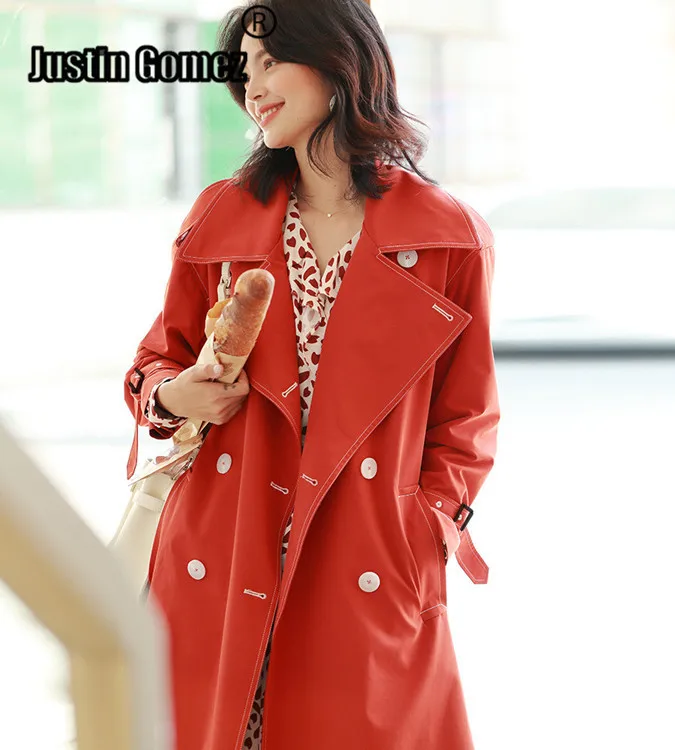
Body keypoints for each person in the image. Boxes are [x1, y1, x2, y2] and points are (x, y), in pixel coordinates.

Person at [123, 1, 501, 748]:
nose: (253, 87)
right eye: (244, 72)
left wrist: (422, 529)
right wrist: (174, 393)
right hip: (224, 548)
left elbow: (466, 421)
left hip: (362, 558)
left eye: (271, 62)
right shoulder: (221, 218)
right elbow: (154, 363)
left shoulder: (447, 237)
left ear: (338, 59)